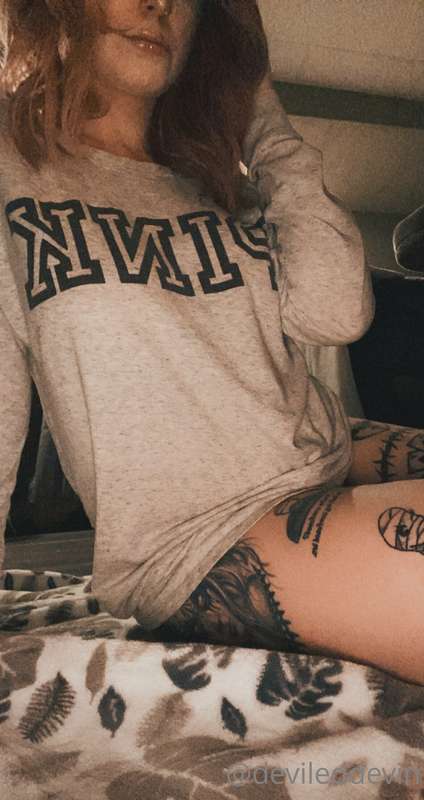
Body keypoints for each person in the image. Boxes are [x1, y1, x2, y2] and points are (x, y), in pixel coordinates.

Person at [0, 0, 422, 686]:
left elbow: (336, 315)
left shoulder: (218, 181)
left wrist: (259, 112)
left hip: (329, 446)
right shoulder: (13, 166)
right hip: (205, 536)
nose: (160, 5)